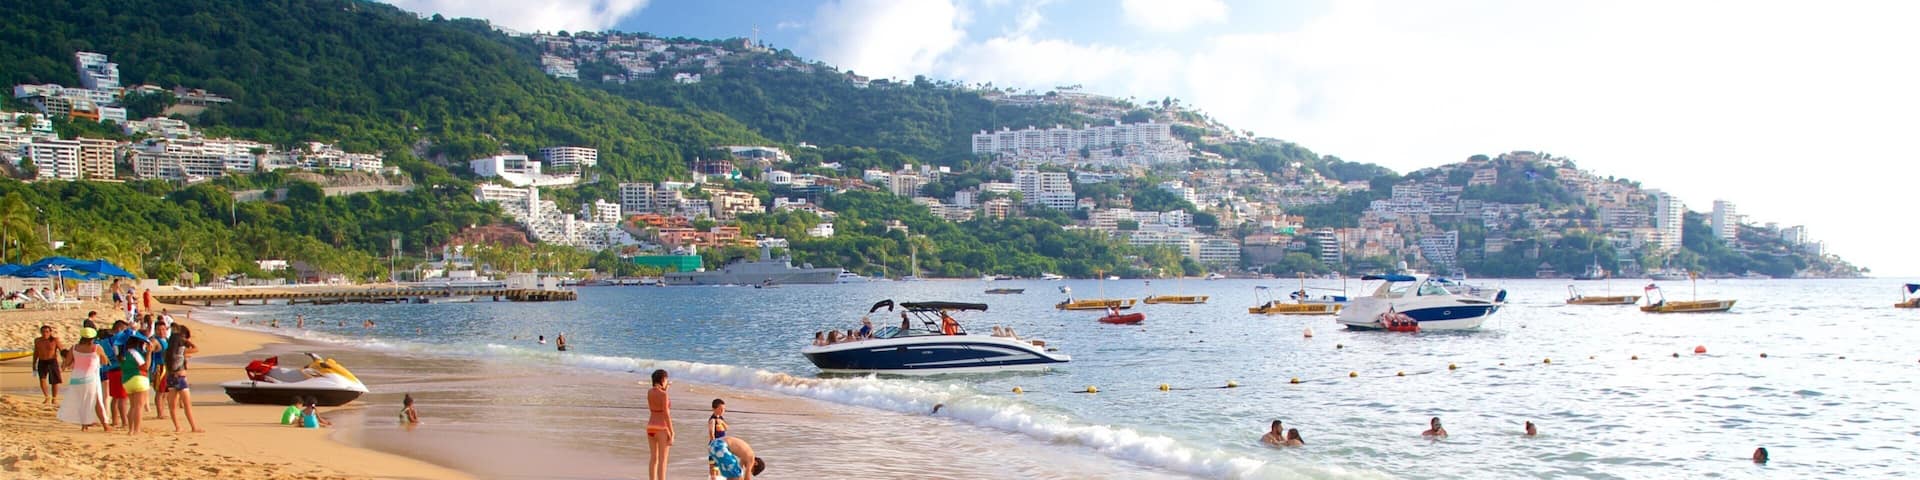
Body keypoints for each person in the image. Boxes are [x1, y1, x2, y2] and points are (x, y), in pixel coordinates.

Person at [57, 327, 110, 432]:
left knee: (82, 401)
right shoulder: (96, 347)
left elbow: (66, 363)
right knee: (97, 401)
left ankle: (84, 425)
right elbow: (105, 361)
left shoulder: (74, 348)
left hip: (76, 379)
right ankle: (105, 425)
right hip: (90, 378)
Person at [164, 325, 202, 433]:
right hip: (180, 378)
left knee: (172, 406)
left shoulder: (168, 352)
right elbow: (196, 349)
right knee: (187, 404)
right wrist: (187, 341)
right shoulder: (182, 351)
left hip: (171, 378)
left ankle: (177, 427)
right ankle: (193, 427)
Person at [121, 333, 154, 435]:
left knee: (133, 406)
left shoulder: (123, 354)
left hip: (127, 380)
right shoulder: (134, 352)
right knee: (139, 406)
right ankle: (136, 429)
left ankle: (131, 429)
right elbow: (145, 366)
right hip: (139, 378)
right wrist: (149, 353)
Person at [646, 369, 673, 480]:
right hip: (662, 427)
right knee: (663, 459)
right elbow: (666, 414)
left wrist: (665, 390)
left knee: (653, 458)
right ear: (663, 379)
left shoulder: (649, 392)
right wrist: (672, 432)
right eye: (666, 379)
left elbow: (656, 405)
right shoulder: (664, 394)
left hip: (650, 426)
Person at [33, 325, 64, 404]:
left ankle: (54, 398)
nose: (45, 333)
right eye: (43, 332)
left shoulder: (54, 340)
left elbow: (62, 351)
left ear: (50, 332)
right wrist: (34, 363)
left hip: (52, 361)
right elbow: (36, 352)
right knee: (42, 379)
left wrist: (65, 362)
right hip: (42, 361)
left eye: (47, 332)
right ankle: (46, 397)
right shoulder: (37, 340)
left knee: (54, 381)